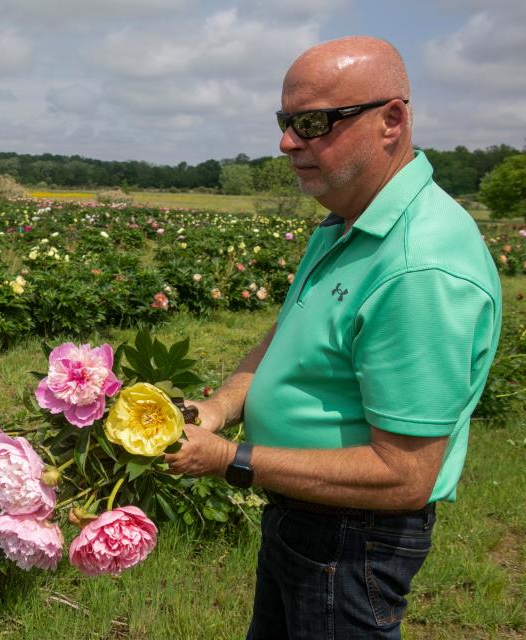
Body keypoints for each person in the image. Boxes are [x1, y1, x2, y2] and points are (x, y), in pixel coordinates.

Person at [164, 35, 502, 639]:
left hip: (353, 539)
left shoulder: (420, 267)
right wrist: (215, 410)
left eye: (314, 122)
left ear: (391, 121)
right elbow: (291, 329)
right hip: (303, 516)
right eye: (286, 121)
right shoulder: (350, 220)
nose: (288, 142)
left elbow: (403, 475)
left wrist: (228, 459)